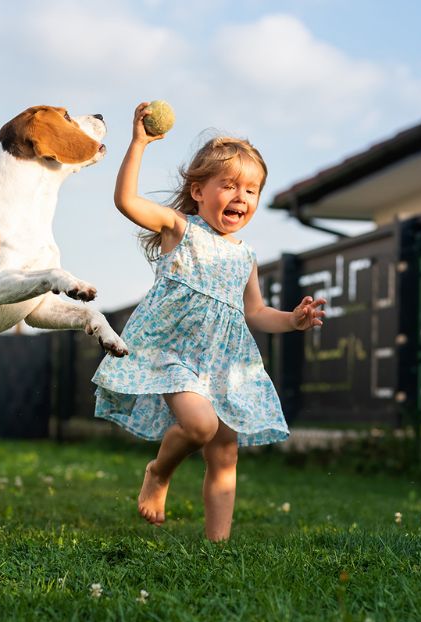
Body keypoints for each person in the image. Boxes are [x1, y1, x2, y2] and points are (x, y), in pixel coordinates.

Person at [93, 102, 327, 541]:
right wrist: (139, 144)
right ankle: (159, 472)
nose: (241, 196)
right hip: (172, 354)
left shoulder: (245, 256)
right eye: (230, 185)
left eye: (251, 190)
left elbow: (256, 312)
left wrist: (293, 321)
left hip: (225, 365)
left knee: (225, 453)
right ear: (199, 191)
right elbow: (125, 200)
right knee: (199, 426)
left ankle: (217, 546)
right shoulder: (180, 229)